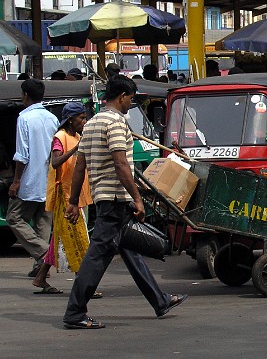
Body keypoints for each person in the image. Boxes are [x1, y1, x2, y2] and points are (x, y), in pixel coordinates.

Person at [62, 75, 186, 329]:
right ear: (122, 97)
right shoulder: (117, 122)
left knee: (129, 250)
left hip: (104, 197)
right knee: (97, 257)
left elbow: (79, 167)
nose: (131, 103)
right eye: (131, 98)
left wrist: (74, 201)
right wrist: (137, 198)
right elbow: (121, 164)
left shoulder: (93, 123)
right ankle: (75, 312)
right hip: (115, 199)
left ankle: (159, 300)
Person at [32, 102, 93, 294]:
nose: (84, 121)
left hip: (76, 193)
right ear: (70, 120)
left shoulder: (77, 136)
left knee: (58, 238)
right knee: (79, 238)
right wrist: (76, 150)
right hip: (64, 196)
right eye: (81, 118)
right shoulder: (60, 137)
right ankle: (82, 286)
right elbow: (56, 161)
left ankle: (40, 278)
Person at [7, 79, 59, 277]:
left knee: (14, 217)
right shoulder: (51, 118)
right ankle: (40, 266)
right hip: (49, 178)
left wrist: (17, 180)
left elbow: (22, 154)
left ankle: (44, 253)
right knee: (43, 221)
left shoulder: (25, 118)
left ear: (26, 96)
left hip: (30, 178)